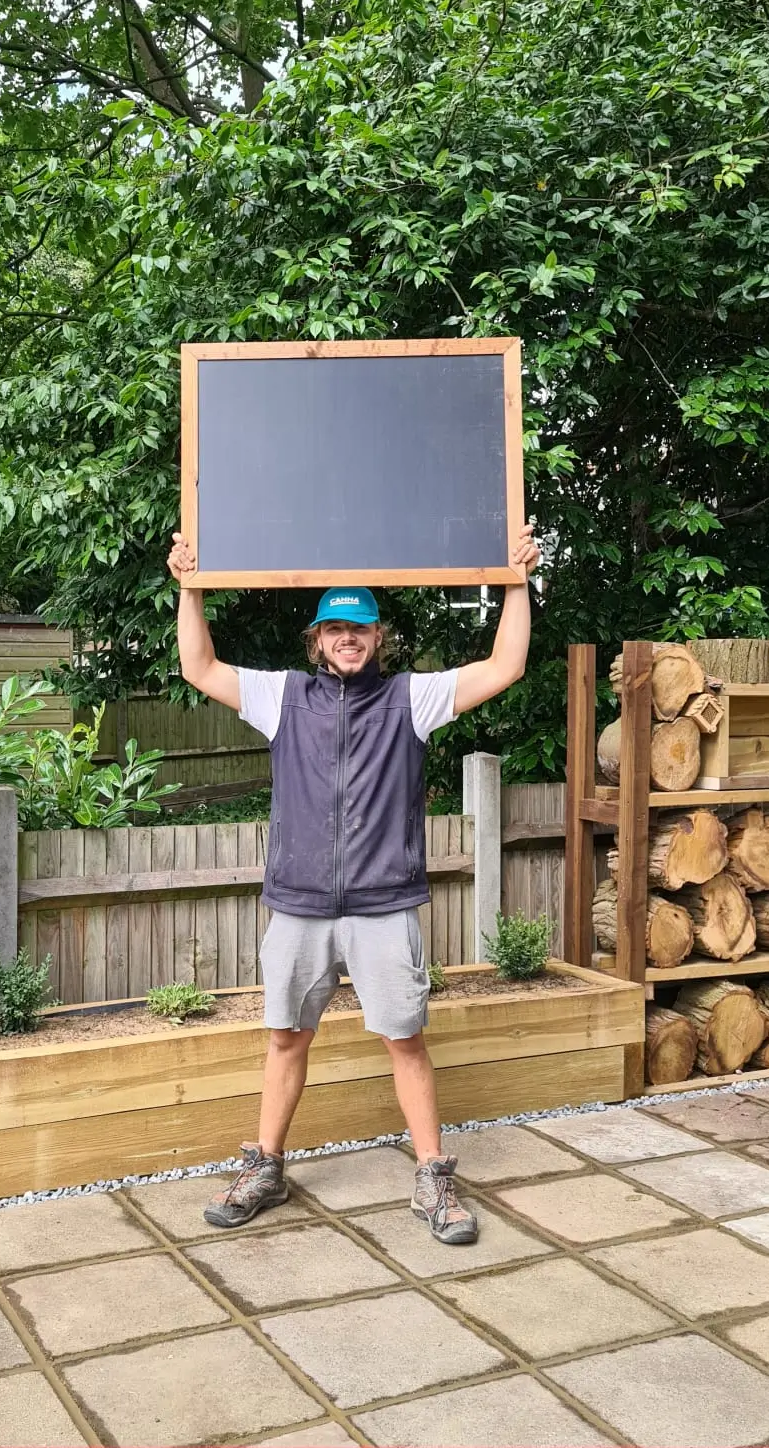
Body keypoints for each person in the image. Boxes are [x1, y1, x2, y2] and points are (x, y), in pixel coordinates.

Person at [167, 525, 541, 1243]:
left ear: (378, 638)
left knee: (406, 1042)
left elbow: (504, 666)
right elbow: (199, 665)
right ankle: (266, 1167)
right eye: (335, 627)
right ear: (316, 639)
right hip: (299, 906)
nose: (348, 638)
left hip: (383, 906)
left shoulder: (413, 699)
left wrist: (519, 583)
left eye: (360, 628)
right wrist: (188, 587)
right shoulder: (283, 698)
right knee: (284, 1039)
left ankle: (433, 1179)